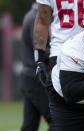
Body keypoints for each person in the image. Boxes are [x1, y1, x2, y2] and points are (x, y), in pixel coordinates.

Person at [20, 3, 51, 131]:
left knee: (29, 125)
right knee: (56, 120)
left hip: (28, 76)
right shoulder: (35, 19)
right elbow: (41, 49)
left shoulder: (30, 15)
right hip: (36, 78)